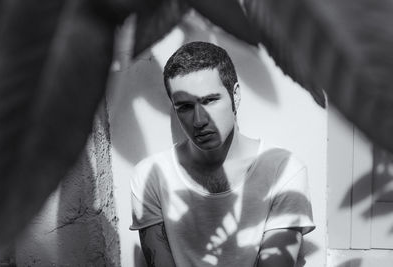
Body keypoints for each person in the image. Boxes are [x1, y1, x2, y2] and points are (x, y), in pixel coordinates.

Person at [130, 41, 315, 267]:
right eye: (185, 107)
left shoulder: (283, 170)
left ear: (235, 95)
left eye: (210, 100)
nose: (199, 120)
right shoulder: (151, 176)